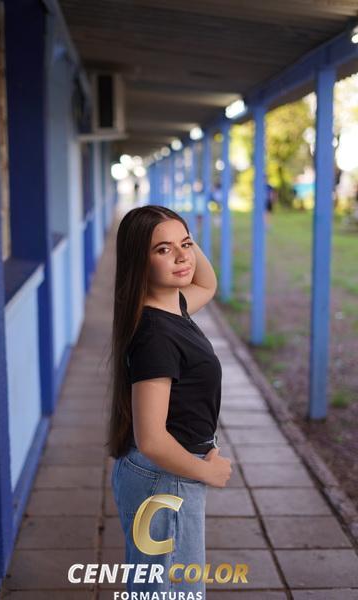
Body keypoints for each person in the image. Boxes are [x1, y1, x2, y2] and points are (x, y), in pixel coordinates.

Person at [107, 205, 232, 597]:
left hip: (164, 475)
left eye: (186, 245)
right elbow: (152, 439)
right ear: (138, 261)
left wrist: (176, 232)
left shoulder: (172, 305)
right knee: (174, 590)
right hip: (167, 476)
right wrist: (207, 472)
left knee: (157, 586)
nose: (181, 257)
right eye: (163, 250)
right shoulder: (156, 335)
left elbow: (207, 284)